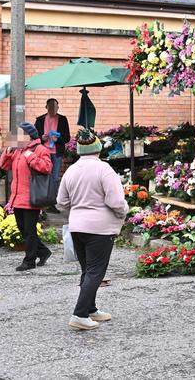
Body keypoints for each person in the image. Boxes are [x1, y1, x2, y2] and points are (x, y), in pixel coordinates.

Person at [56, 129, 128, 331]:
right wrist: (124, 212)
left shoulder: (71, 170)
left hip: (77, 227)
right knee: (96, 272)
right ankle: (79, 314)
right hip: (101, 229)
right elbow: (116, 201)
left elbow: (61, 202)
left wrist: (78, 208)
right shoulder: (104, 169)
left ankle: (90, 309)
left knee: (88, 270)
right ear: (98, 148)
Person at [0, 122, 53, 271]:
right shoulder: (18, 150)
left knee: (29, 231)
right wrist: (9, 151)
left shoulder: (40, 149)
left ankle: (29, 261)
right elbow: (4, 166)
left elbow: (47, 167)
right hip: (17, 197)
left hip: (32, 197)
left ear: (28, 136)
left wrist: (31, 157)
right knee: (23, 230)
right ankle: (43, 252)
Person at [35, 98, 71, 210]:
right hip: (43, 152)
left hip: (56, 153)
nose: (53, 109)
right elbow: (34, 137)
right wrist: (42, 138)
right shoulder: (40, 120)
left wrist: (57, 140)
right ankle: (42, 201)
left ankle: (52, 203)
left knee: (55, 178)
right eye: (50, 107)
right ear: (46, 107)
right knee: (43, 176)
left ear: (58, 108)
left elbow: (67, 138)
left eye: (55, 107)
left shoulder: (63, 120)